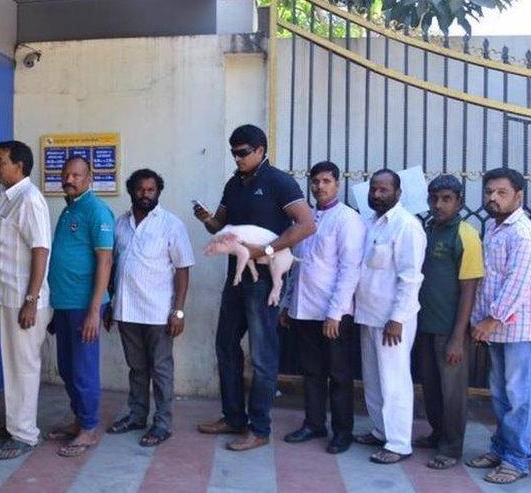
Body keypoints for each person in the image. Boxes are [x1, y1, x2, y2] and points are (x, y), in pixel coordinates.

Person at [193, 124, 316, 452]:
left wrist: (270, 250)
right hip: (236, 278)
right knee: (225, 347)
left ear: (261, 150)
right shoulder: (234, 183)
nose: (238, 158)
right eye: (234, 152)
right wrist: (206, 218)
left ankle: (259, 428)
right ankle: (233, 417)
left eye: (244, 152)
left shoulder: (278, 181)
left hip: (264, 283)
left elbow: (307, 224)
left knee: (262, 356)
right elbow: (220, 225)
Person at [466, 167, 531, 485]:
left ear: (519, 196)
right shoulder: (493, 226)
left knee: (519, 395)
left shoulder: (524, 234)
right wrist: (481, 319)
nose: (492, 198)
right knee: (501, 394)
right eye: (489, 192)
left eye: (501, 193)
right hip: (498, 328)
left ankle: (516, 459)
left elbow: (518, 283)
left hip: (521, 328)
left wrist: (489, 320)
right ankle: (501, 449)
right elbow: (490, 279)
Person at [280, 161, 363, 454]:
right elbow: (295, 266)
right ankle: (314, 424)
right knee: (311, 372)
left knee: (339, 375)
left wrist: (335, 313)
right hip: (304, 310)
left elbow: (349, 269)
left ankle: (343, 432)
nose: (320, 187)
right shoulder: (305, 219)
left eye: (326, 181)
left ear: (337, 184)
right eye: (315, 182)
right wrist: (287, 304)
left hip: (333, 314)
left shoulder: (348, 220)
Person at [106, 168, 194, 447]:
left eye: (151, 190)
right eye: (140, 189)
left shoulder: (171, 224)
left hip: (158, 312)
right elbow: (113, 267)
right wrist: (110, 304)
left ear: (158, 193)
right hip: (126, 309)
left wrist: (178, 311)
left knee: (161, 369)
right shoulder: (120, 224)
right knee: (136, 368)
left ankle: (163, 423)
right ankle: (136, 415)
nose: (145, 194)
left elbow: (182, 269)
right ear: (132, 191)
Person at [352, 169, 427, 465]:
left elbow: (411, 277)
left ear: (398, 193)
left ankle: (398, 443)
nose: (377, 194)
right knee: (372, 379)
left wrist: (397, 318)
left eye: (384, 190)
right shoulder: (368, 223)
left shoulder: (406, 226)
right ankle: (381, 431)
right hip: (367, 315)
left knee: (394, 380)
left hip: (393, 320)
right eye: (373, 189)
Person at [0, 140, 53, 460]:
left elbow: (41, 250)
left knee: (24, 367)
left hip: (24, 300)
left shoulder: (30, 199)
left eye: (0, 161)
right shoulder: (9, 198)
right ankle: (16, 425)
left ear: (19, 166)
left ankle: (25, 434)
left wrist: (31, 299)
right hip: (8, 297)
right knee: (12, 366)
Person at [45, 156, 115, 457]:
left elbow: (105, 260)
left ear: (89, 178)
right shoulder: (69, 209)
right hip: (63, 304)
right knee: (67, 368)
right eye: (66, 174)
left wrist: (93, 310)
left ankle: (88, 429)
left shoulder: (97, 210)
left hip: (83, 306)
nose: (70, 179)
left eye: (76, 175)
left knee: (83, 370)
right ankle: (78, 421)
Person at [412, 175, 483, 469]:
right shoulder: (427, 230)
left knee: (453, 392)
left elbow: (469, 288)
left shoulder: (465, 234)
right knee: (431, 386)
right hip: (425, 325)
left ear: (459, 202)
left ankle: (452, 448)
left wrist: (457, 337)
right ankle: (437, 433)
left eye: (446, 199)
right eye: (434, 199)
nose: (438, 205)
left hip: (451, 330)